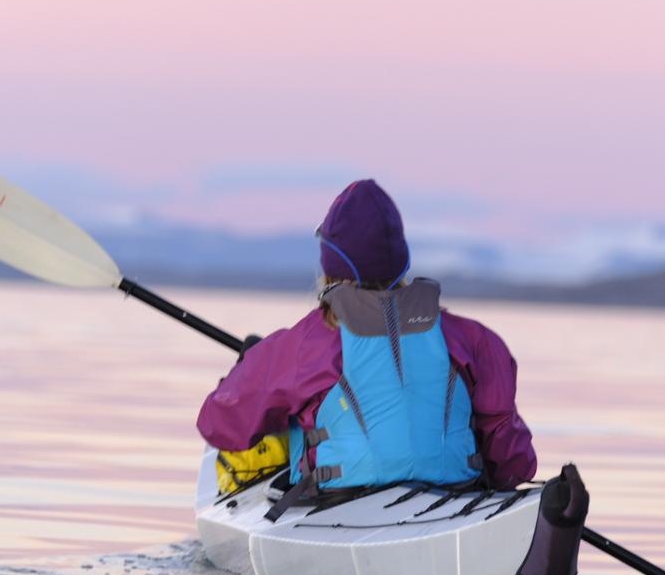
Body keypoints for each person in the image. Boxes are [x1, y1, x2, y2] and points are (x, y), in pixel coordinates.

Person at [196, 180, 537, 506]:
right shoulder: (475, 340)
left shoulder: (301, 347)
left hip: (338, 503)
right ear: (401, 260)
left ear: (328, 267)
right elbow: (514, 464)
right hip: (454, 498)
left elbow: (218, 425)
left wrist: (248, 369)